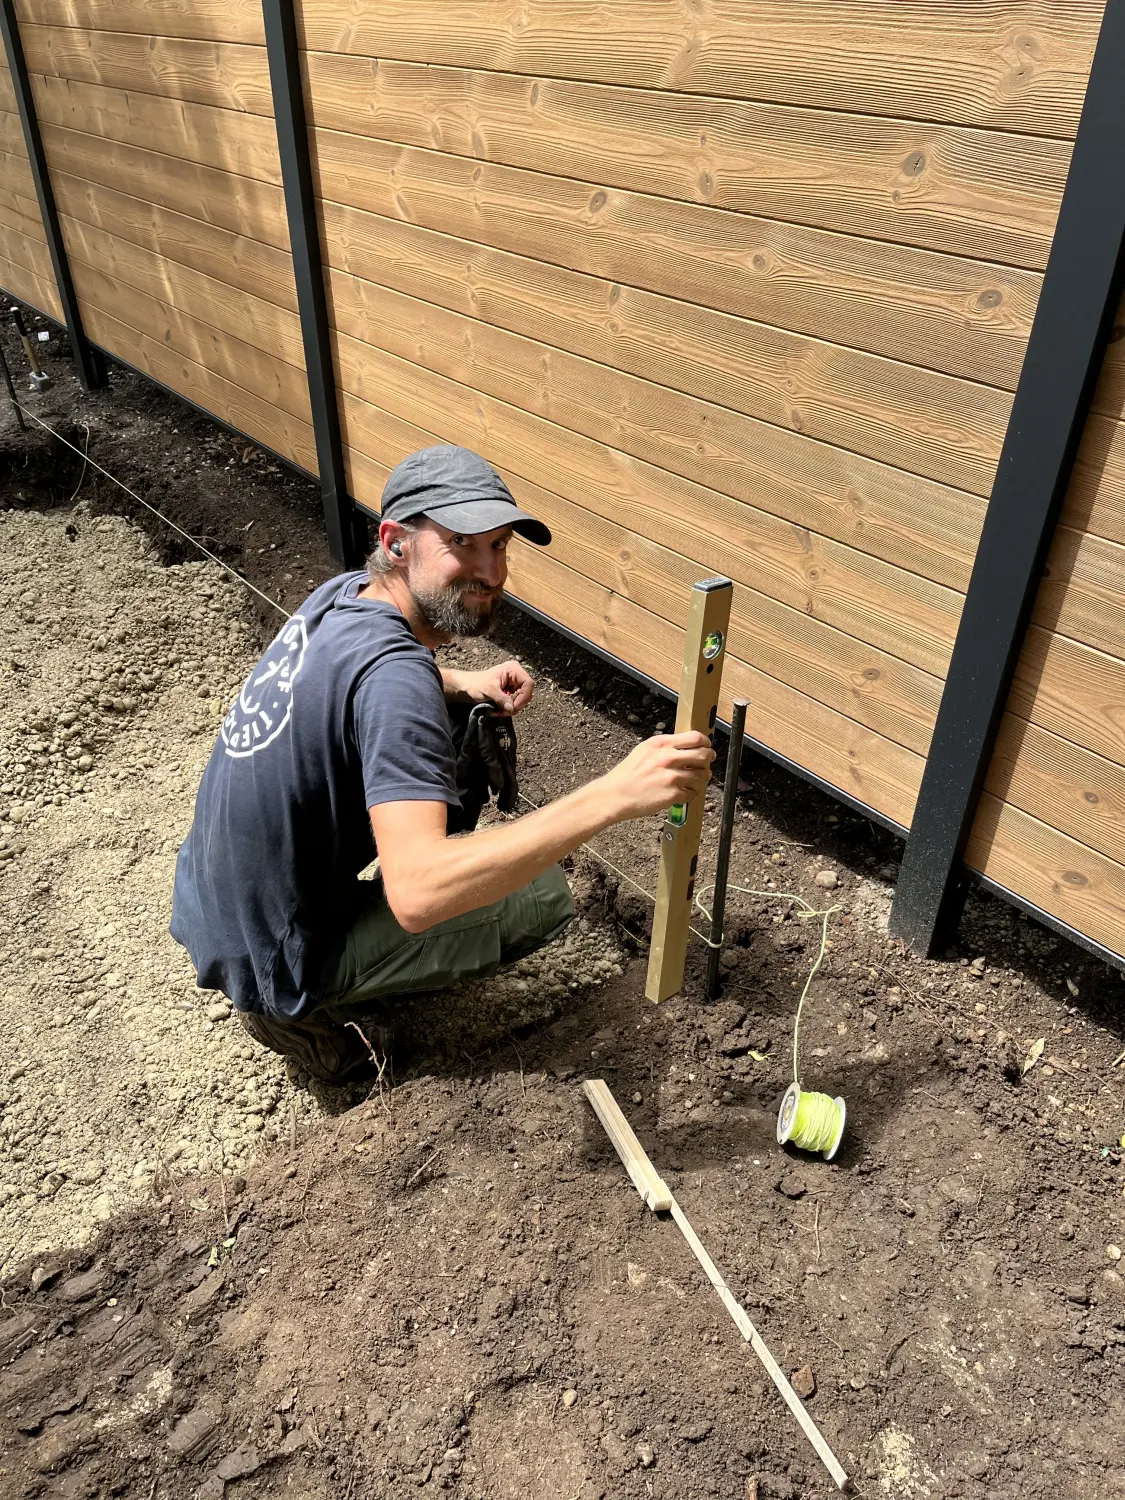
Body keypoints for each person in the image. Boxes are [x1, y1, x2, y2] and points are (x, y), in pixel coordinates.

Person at [170, 445, 714, 1083]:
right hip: (276, 954)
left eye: (501, 545)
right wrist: (613, 795)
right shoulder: (395, 681)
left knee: (449, 744)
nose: (491, 570)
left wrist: (460, 684)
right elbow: (421, 893)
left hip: (220, 904)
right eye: (462, 542)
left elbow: (354, 684)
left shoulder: (344, 595)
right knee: (536, 896)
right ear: (396, 542)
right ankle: (310, 1018)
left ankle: (304, 970)